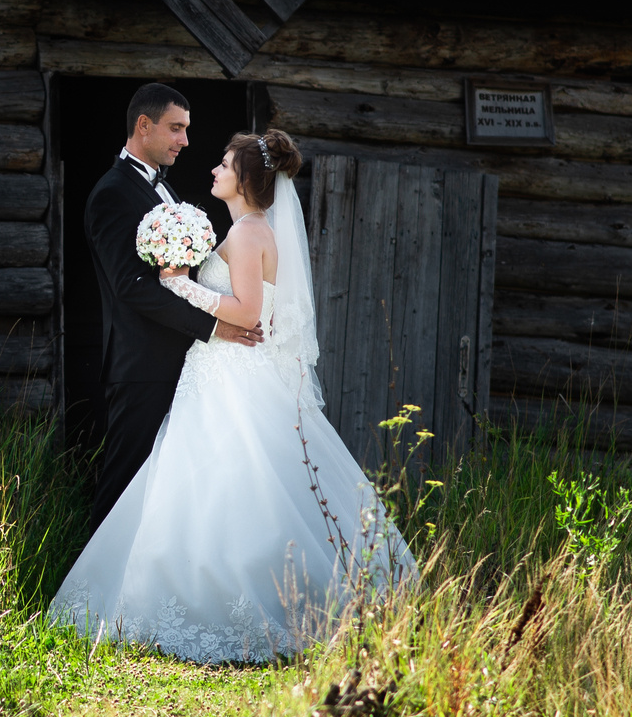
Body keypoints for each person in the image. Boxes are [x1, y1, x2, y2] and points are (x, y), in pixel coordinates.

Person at [54, 129, 418, 663]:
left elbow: (247, 313)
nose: (213, 170)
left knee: (230, 479)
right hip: (219, 367)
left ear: (245, 178)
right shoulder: (249, 229)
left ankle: (229, 596)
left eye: (224, 164)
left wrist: (179, 282)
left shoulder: (248, 234)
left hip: (232, 370)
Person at [81, 83, 260, 527]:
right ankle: (95, 573)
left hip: (184, 364)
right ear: (144, 125)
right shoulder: (112, 193)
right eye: (176, 128)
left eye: (186, 129)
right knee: (124, 485)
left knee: (168, 490)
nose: (185, 140)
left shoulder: (164, 189)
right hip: (143, 365)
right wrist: (215, 326)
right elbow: (132, 287)